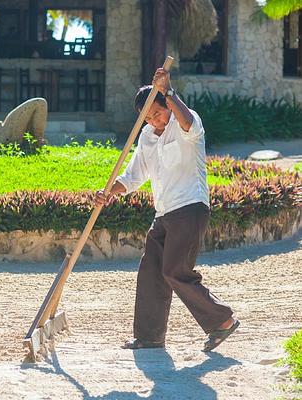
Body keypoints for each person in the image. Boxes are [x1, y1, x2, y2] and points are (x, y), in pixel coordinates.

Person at [95, 68, 239, 352]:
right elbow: (132, 177)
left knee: (175, 270)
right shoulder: (147, 137)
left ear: (166, 105)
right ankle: (149, 337)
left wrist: (169, 91)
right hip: (163, 214)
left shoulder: (186, 122)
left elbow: (188, 123)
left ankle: (222, 321)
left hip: (190, 208)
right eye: (147, 117)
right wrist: (108, 192)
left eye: (157, 114)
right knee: (150, 270)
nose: (153, 121)